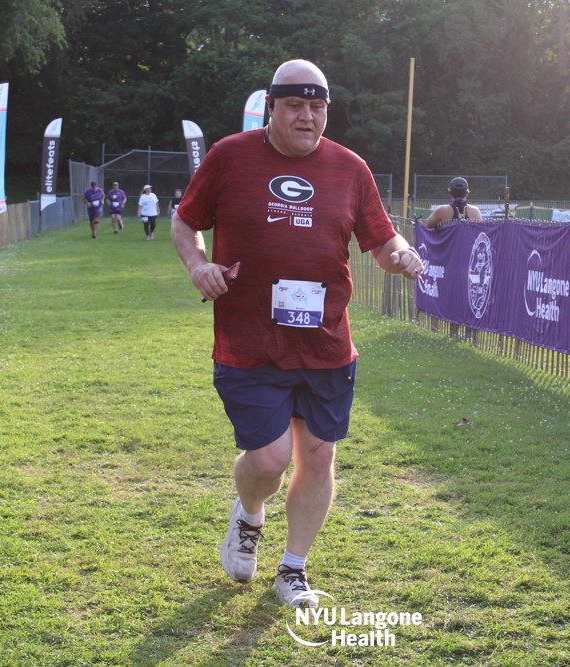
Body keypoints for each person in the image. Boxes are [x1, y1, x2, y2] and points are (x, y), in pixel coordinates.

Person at [171, 58, 424, 607]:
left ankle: (293, 569)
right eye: (294, 106)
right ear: (272, 108)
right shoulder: (230, 156)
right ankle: (249, 513)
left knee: (318, 456)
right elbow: (185, 221)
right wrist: (198, 265)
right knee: (268, 461)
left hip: (324, 341)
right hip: (248, 340)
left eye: (317, 107)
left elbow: (382, 240)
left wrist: (401, 254)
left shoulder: (350, 168)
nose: (307, 117)